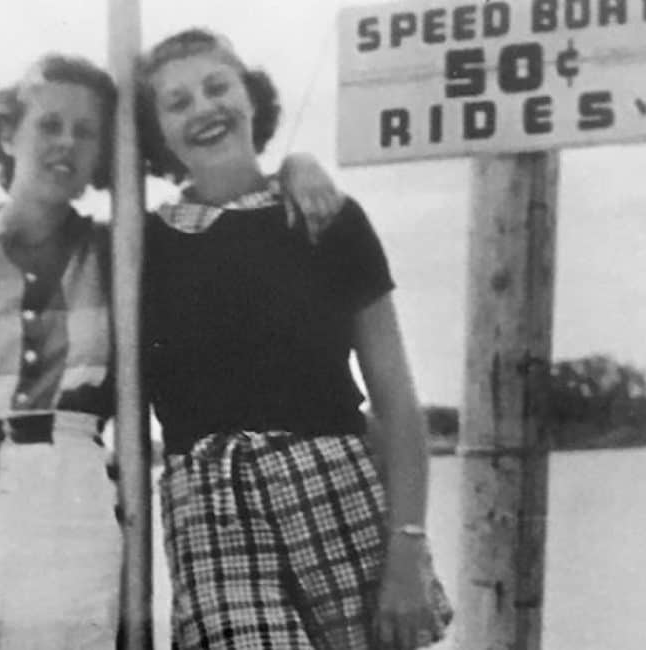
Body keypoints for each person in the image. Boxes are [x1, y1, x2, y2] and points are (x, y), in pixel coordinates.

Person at [0, 52, 345, 650]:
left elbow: (225, 202)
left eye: (86, 131)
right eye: (49, 124)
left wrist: (298, 168)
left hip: (74, 507)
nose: (66, 144)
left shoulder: (122, 252)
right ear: (6, 135)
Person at [138, 29, 454, 650]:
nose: (203, 108)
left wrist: (407, 553)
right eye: (176, 103)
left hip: (336, 490)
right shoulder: (143, 245)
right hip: (209, 508)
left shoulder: (326, 217)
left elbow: (396, 401)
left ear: (251, 97)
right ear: (158, 137)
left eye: (217, 87)